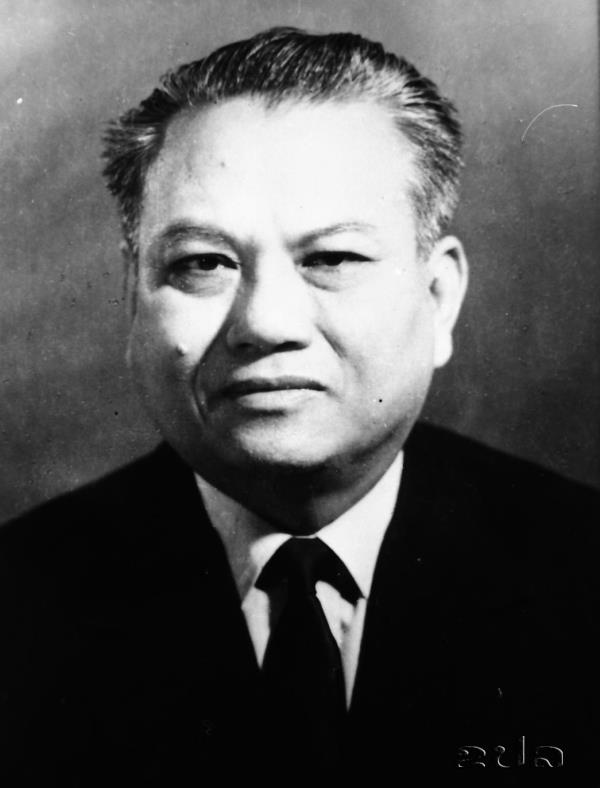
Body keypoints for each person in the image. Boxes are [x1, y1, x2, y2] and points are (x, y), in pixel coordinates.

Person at [0, 27, 598, 784]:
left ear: (439, 296)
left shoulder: (582, 574)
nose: (266, 322)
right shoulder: (19, 605)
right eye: (203, 263)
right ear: (132, 299)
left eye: (334, 258)